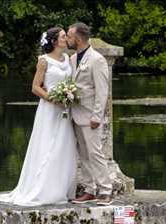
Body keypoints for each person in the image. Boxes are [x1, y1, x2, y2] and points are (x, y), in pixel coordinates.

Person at [0, 27, 77, 206]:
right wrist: (54, 99)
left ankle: (61, 189)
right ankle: (43, 189)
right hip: (49, 109)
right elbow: (35, 87)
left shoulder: (68, 59)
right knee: (46, 147)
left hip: (65, 110)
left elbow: (70, 82)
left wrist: (69, 95)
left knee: (64, 147)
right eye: (62, 36)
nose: (66, 38)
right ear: (54, 41)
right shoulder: (44, 61)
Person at [67, 22, 113, 206]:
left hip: (90, 117)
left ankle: (106, 190)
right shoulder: (72, 59)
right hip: (75, 114)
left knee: (95, 153)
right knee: (83, 155)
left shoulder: (97, 59)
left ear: (77, 38)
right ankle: (89, 190)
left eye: (69, 36)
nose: (68, 39)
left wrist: (96, 116)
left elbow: (102, 92)